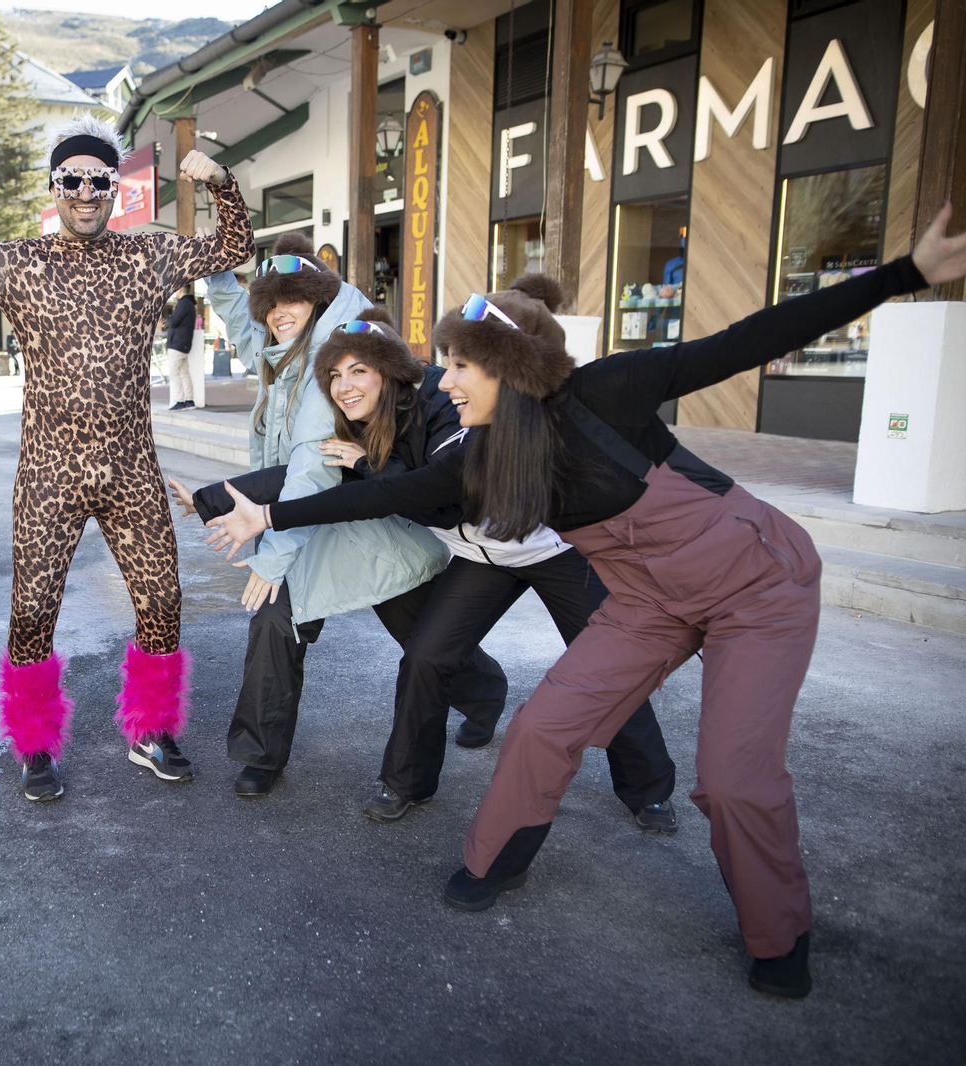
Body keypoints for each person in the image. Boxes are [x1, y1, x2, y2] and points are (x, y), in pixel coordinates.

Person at [206, 205, 966, 999]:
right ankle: (498, 859)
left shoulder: (607, 390)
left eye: (461, 366)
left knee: (734, 779)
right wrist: (271, 515)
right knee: (542, 728)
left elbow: (751, 338)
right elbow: (386, 493)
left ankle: (777, 930)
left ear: (507, 367)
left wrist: (906, 273)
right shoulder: (484, 452)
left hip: (756, 586)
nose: (445, 381)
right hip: (646, 599)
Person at [0, 113, 254, 801]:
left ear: (116, 187)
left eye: (99, 180)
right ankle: (34, 743)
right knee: (33, 610)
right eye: (72, 180)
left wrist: (219, 181)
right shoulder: (18, 261)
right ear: (55, 185)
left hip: (131, 470)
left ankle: (152, 730)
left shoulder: (149, 257)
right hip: (48, 474)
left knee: (162, 599)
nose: (86, 192)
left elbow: (233, 245)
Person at [239, 306, 679, 826]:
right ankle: (406, 782)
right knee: (425, 656)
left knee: (604, 663)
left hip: (553, 550)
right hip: (480, 558)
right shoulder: (366, 418)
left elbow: (444, 501)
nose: (345, 385)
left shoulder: (442, 403)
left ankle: (648, 789)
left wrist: (362, 466)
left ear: (391, 370)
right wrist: (219, 501)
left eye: (358, 370)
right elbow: (315, 479)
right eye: (335, 374)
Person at [166, 235, 506, 803]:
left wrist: (272, 553)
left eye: (292, 300)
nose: (278, 312)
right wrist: (216, 269)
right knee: (275, 623)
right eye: (270, 303)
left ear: (318, 301)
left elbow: (311, 469)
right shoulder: (284, 348)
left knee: (418, 631)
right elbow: (243, 322)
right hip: (302, 511)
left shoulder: (335, 353)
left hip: (361, 516)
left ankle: (483, 690)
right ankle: (260, 754)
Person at [162, 287, 195, 410]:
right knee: (184, 373)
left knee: (174, 373)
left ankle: (179, 400)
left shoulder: (183, 304)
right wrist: (169, 322)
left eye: (176, 290)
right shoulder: (189, 304)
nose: (175, 292)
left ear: (181, 289)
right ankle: (189, 400)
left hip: (177, 344)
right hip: (183, 344)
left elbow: (174, 322)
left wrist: (168, 319)